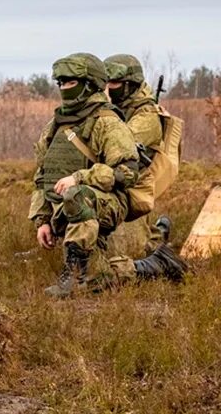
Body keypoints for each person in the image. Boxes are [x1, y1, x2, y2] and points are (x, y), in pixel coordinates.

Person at [29, 53, 151, 297]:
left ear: (89, 84)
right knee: (105, 276)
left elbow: (127, 171)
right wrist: (41, 220)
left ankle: (73, 277)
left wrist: (81, 177)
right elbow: (43, 176)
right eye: (60, 83)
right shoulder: (56, 124)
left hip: (107, 205)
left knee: (77, 194)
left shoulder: (107, 122)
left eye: (70, 82)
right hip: (68, 210)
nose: (64, 88)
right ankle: (156, 266)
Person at [101, 54, 187, 283]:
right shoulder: (117, 108)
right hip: (116, 186)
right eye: (105, 83)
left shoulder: (146, 117)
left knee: (117, 262)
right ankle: (158, 234)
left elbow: (116, 147)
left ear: (130, 84)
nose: (108, 89)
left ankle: (159, 254)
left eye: (114, 84)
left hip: (131, 191)